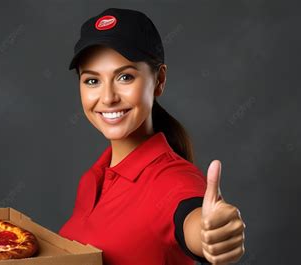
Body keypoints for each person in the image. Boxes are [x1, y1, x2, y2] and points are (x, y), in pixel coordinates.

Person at [58, 7, 246, 265]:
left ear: (159, 80)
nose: (108, 97)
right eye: (92, 81)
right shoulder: (92, 179)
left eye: (125, 77)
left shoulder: (173, 179)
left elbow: (191, 218)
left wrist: (210, 232)